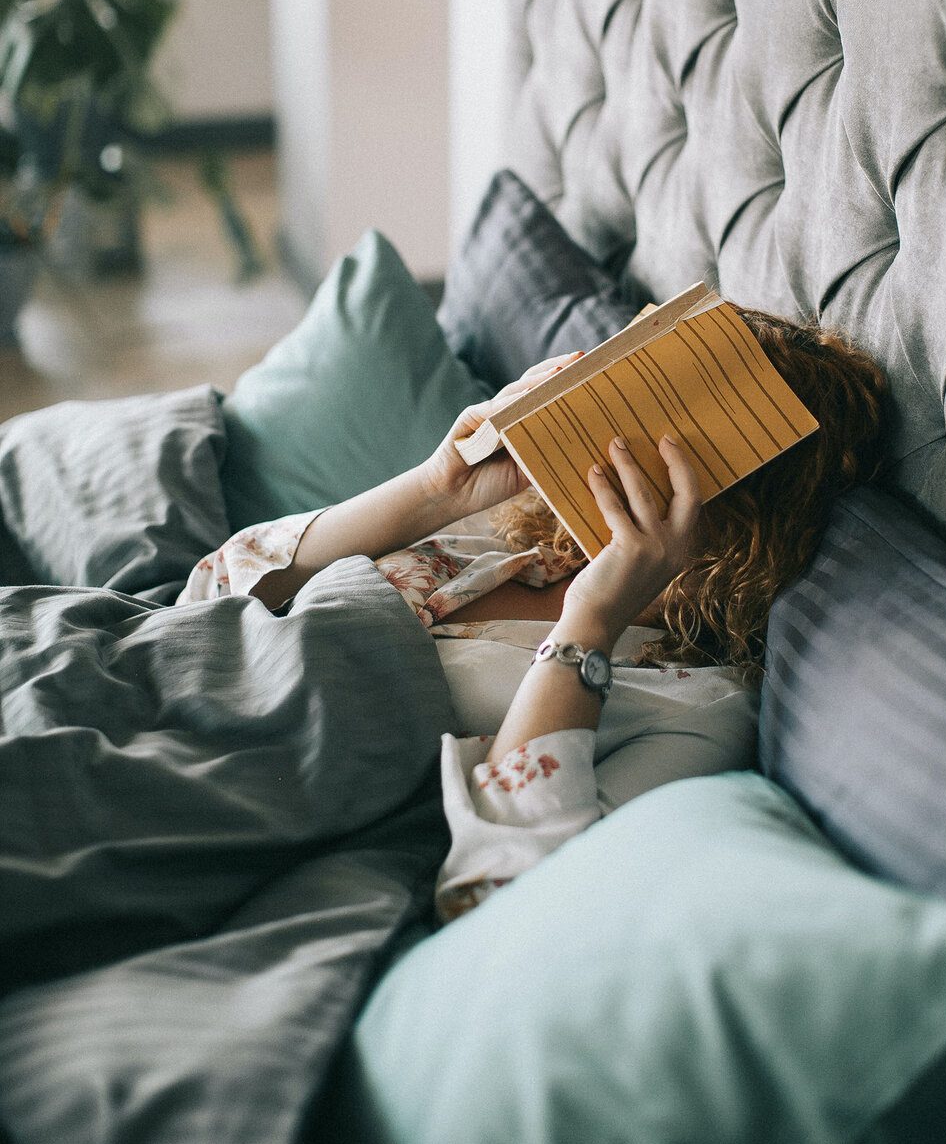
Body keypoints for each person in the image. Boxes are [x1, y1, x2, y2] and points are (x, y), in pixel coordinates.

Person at [179, 307, 888, 920]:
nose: (615, 443)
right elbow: (219, 585)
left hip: (231, 791)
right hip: (165, 674)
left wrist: (591, 620)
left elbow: (501, 888)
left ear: (747, 511)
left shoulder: (699, 708)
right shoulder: (521, 534)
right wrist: (435, 490)